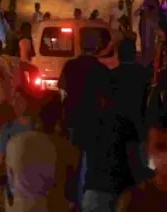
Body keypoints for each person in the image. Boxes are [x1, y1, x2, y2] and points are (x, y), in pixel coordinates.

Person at [58, 29, 112, 205]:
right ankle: (83, 199)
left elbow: (62, 93)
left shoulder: (70, 66)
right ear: (97, 47)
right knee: (88, 163)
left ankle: (71, 198)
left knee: (71, 161)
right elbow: (106, 99)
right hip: (93, 121)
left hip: (72, 119)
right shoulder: (101, 70)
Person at [82, 78, 145, 212]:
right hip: (119, 193)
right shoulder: (125, 123)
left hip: (92, 192)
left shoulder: (89, 123)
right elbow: (133, 158)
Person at [5, 96, 78, 212]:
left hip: (21, 207)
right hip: (53, 207)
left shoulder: (15, 142)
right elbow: (71, 184)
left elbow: (10, 182)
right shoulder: (64, 147)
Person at [0, 88, 37, 202]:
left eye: (20, 100)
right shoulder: (7, 129)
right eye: (15, 99)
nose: (16, 103)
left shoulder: (39, 127)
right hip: (16, 189)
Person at [111, 39, 151, 139]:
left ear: (119, 55)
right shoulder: (143, 73)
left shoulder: (112, 75)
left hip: (118, 127)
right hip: (138, 125)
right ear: (134, 54)